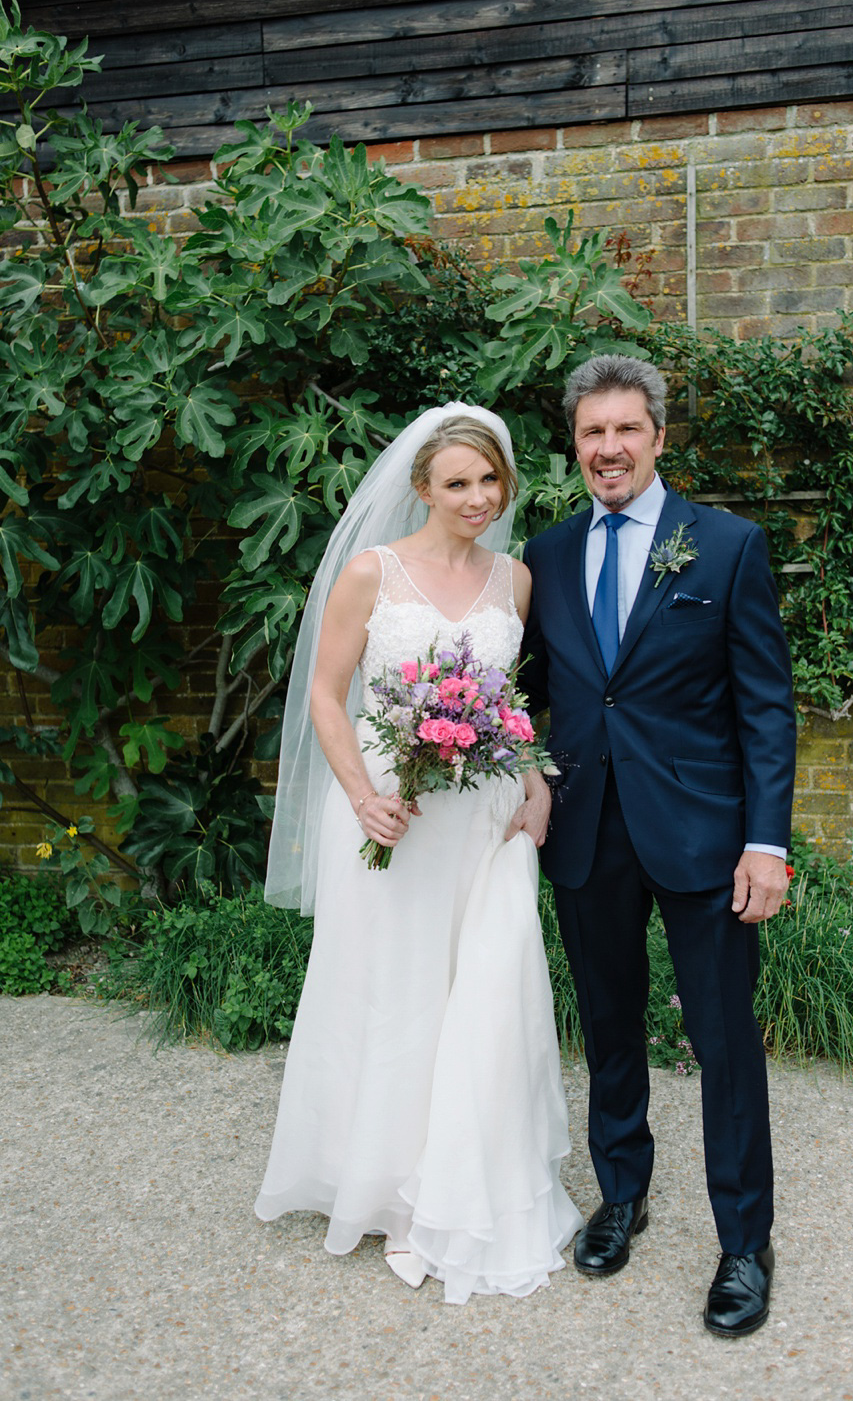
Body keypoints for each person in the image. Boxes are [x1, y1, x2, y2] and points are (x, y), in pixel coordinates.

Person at [256, 402, 581, 1304]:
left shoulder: (514, 581)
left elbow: (510, 702)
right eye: (457, 483)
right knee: (394, 993)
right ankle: (390, 1185)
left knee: (486, 986)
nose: (477, 498)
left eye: (489, 481)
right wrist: (363, 795)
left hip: (484, 819)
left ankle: (471, 1178)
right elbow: (325, 695)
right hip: (392, 814)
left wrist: (537, 778)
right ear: (422, 489)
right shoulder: (373, 573)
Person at [521, 355, 796, 1336]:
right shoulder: (546, 555)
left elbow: (766, 706)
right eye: (592, 432)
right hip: (586, 827)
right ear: (577, 442)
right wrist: (516, 765)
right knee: (608, 1026)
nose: (608, 448)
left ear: (658, 436)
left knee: (723, 1040)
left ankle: (745, 1243)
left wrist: (768, 840)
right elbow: (530, 690)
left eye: (625, 430)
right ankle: (621, 1195)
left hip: (704, 834)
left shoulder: (723, 548)